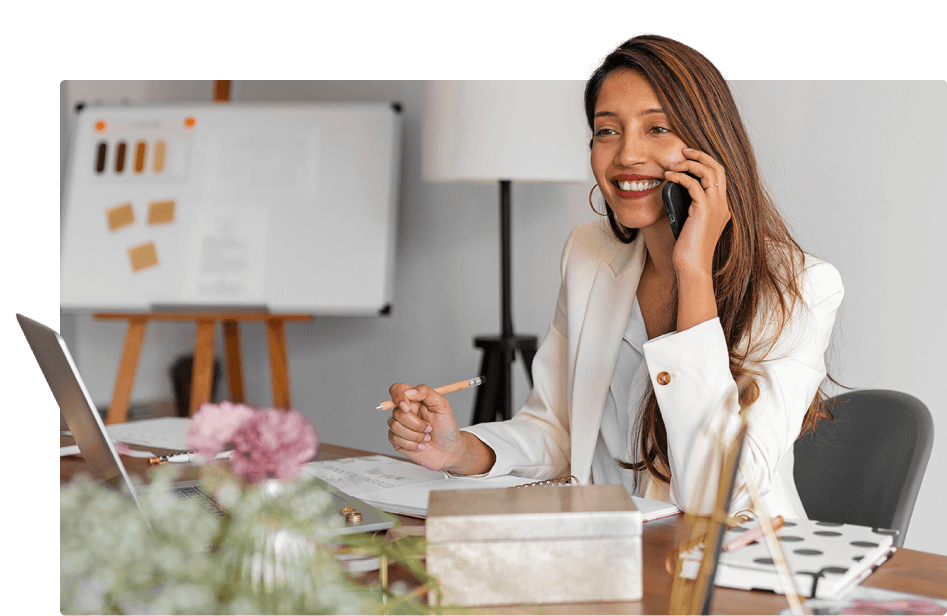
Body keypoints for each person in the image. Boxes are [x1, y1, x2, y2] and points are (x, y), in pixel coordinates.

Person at [385, 34, 844, 519]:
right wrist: (459, 451)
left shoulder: (802, 287)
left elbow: (716, 495)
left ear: (710, 147)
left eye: (658, 128)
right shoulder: (588, 253)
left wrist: (694, 274)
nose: (626, 155)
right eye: (607, 131)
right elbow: (557, 428)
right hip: (607, 552)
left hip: (728, 570)